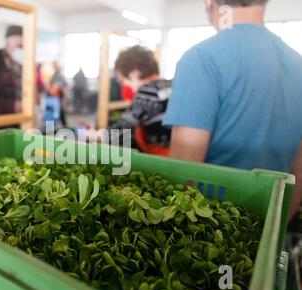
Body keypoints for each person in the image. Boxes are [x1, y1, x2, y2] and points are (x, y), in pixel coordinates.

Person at [163, 0, 302, 221]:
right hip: (268, 223)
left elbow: (183, 171)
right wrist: (275, 234)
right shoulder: (298, 63)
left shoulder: (201, 58)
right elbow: (299, 171)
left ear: (209, 3)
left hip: (212, 229)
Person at [112, 45, 172, 154]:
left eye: (123, 80)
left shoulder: (146, 92)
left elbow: (122, 131)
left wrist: (93, 135)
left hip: (163, 159)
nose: (125, 85)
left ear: (135, 73)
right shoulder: (170, 85)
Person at [49, 61, 68, 127]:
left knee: (59, 111)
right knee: (57, 112)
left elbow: (63, 84)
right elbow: (55, 86)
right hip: (56, 97)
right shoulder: (56, 75)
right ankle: (63, 125)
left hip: (59, 96)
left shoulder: (58, 74)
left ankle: (63, 125)